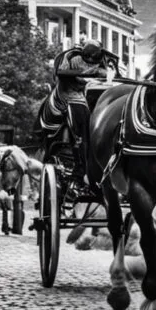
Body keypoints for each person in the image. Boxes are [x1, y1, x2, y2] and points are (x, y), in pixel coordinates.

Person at [48, 39, 114, 197]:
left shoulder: (105, 61)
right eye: (88, 59)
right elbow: (61, 73)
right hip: (72, 96)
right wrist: (87, 75)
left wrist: (103, 75)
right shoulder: (71, 58)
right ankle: (81, 162)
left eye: (94, 60)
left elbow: (109, 74)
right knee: (80, 117)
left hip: (94, 96)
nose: (91, 62)